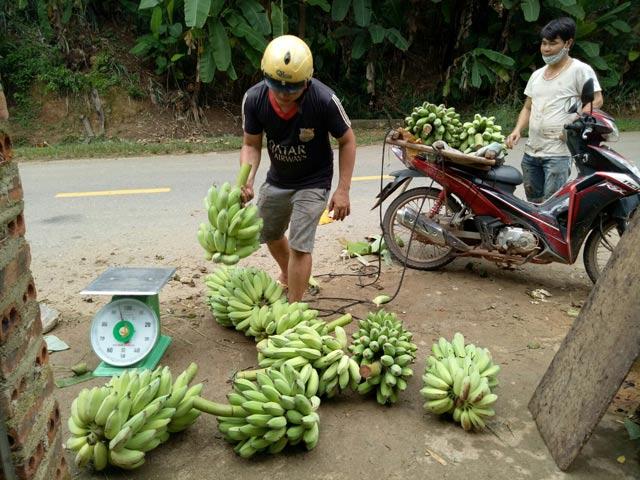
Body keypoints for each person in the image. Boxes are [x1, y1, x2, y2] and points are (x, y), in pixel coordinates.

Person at [239, 35, 356, 302]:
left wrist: (343, 190)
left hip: (314, 180)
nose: (283, 94)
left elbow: (347, 140)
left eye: (292, 88)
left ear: (306, 82)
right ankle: (287, 272)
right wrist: (247, 179)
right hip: (278, 177)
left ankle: (293, 310)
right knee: (269, 232)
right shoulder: (254, 99)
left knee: (300, 246)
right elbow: (252, 145)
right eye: (276, 86)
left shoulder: (324, 100)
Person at [506, 17, 603, 203]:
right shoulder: (536, 75)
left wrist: (575, 122)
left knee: (551, 208)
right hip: (531, 152)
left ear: (568, 43)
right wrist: (517, 130)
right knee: (534, 208)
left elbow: (596, 100)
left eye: (553, 43)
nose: (546, 49)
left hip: (558, 153)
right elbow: (527, 107)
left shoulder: (580, 70)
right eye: (544, 43)